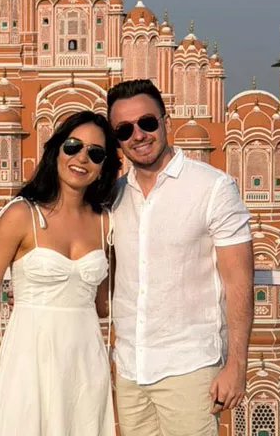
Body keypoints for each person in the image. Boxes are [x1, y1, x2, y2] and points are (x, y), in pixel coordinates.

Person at [0, 111, 122, 435]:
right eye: (73, 146)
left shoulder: (106, 224)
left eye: (95, 153)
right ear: (56, 149)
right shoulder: (21, 214)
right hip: (31, 355)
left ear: (103, 166)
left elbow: (102, 305)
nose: (82, 158)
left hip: (85, 359)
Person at [107, 79, 254, 436]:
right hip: (129, 370)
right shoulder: (112, 196)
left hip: (189, 369)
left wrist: (237, 364)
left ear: (165, 120)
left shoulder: (212, 187)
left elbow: (239, 280)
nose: (138, 135)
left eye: (147, 123)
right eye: (125, 129)